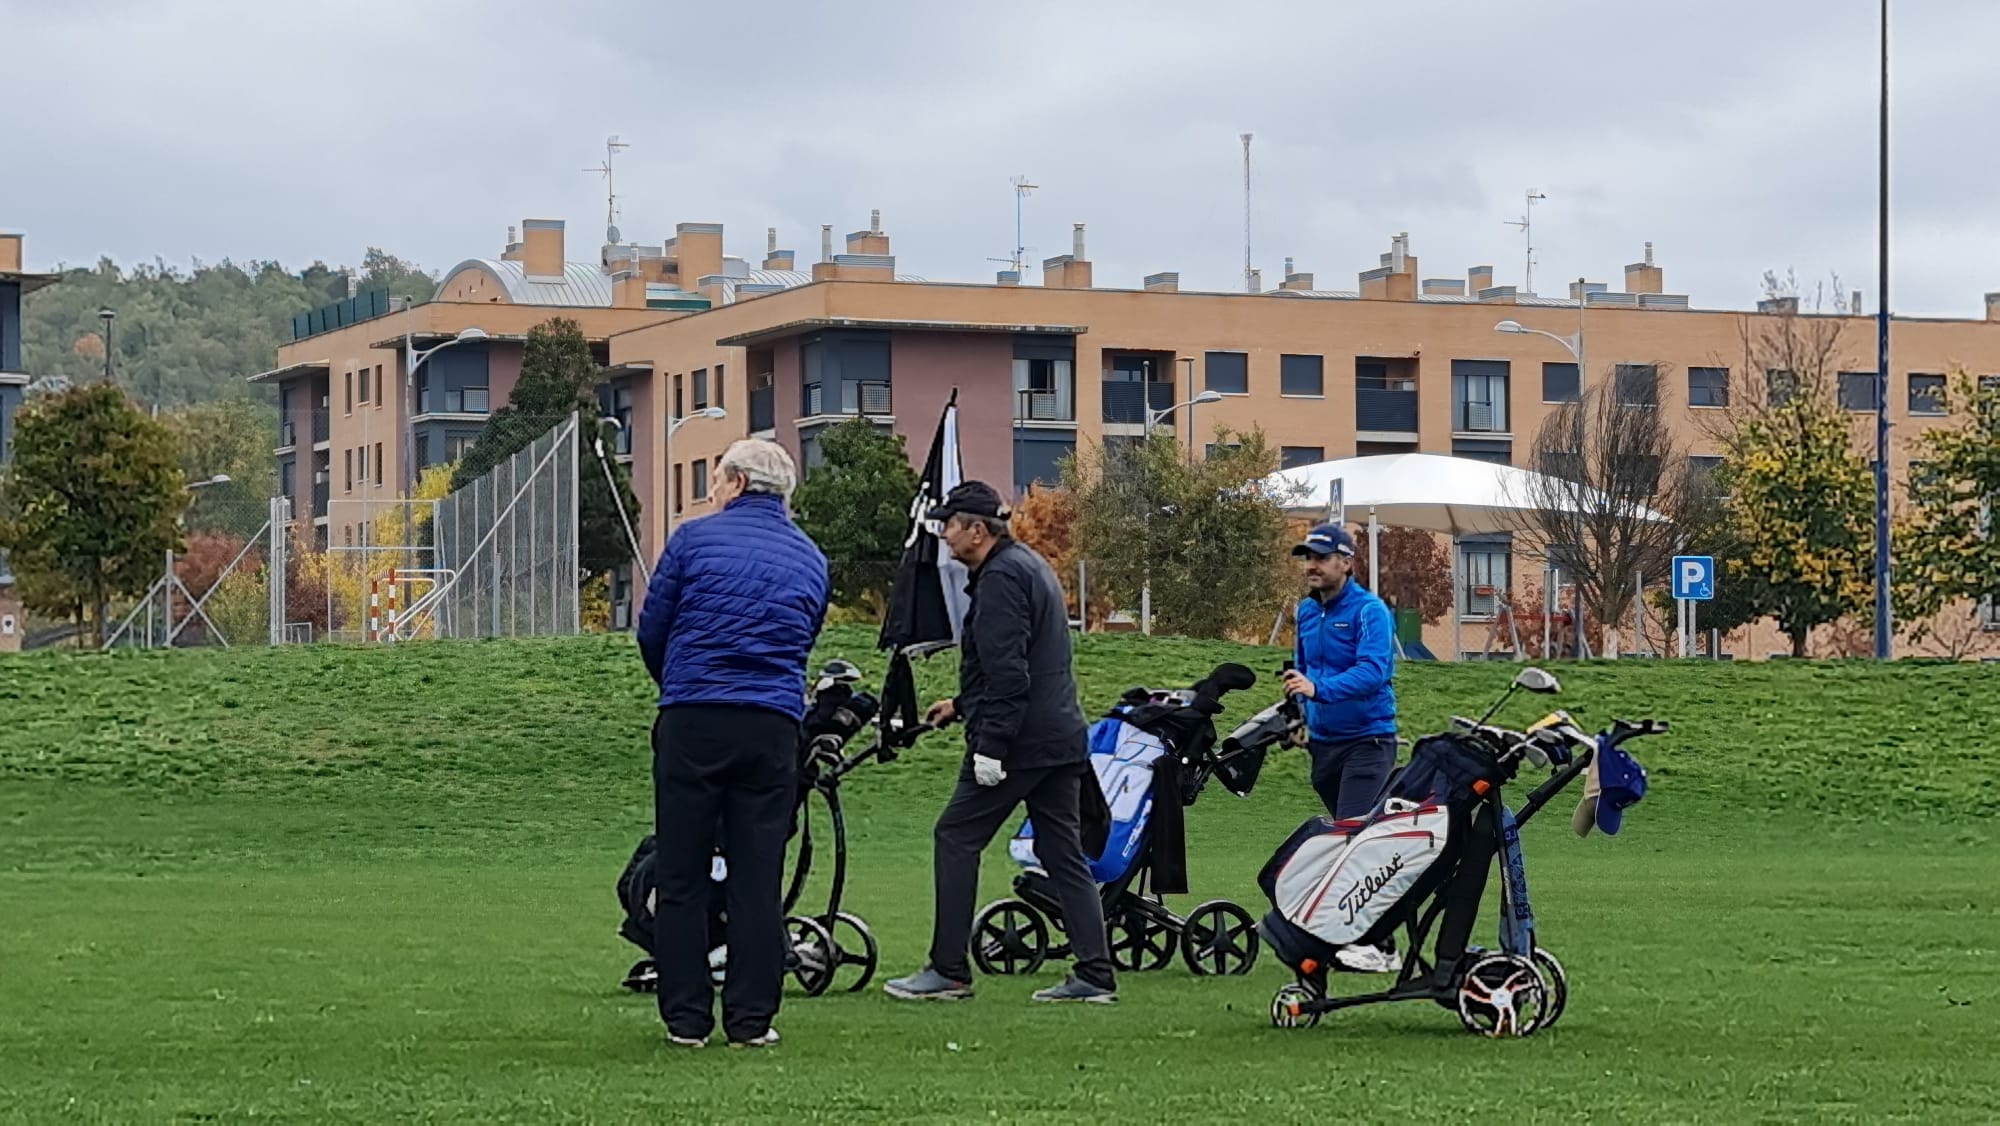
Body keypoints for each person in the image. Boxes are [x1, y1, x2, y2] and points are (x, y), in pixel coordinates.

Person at [883, 481, 1117, 1004]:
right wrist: (962, 704)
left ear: (977, 530)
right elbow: (1020, 663)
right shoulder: (1027, 566)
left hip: (1021, 743)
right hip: (1060, 737)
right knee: (1062, 853)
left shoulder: (1001, 580)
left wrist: (990, 746)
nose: (944, 534)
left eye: (950, 525)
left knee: (955, 837)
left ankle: (948, 970)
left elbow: (1010, 677)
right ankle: (1095, 975)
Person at [636, 438, 829, 1048]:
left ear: (738, 483)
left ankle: (687, 1018)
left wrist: (682, 683)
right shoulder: (811, 557)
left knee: (683, 870)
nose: (712, 491)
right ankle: (751, 1018)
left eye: (716, 480)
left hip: (694, 716)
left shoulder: (693, 540)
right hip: (771, 724)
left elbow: (653, 628)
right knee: (756, 875)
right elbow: (804, 638)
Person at [1281, 522, 1401, 973]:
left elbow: (1373, 672)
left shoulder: (1371, 611)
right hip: (1324, 747)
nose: (1311, 565)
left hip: (1368, 742)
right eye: (1306, 557)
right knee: (1344, 843)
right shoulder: (1307, 613)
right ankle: (1362, 937)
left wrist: (1318, 690)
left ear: (1346, 563)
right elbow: (1302, 672)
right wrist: (1297, 716)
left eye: (1321, 557)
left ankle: (1380, 946)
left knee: (1354, 840)